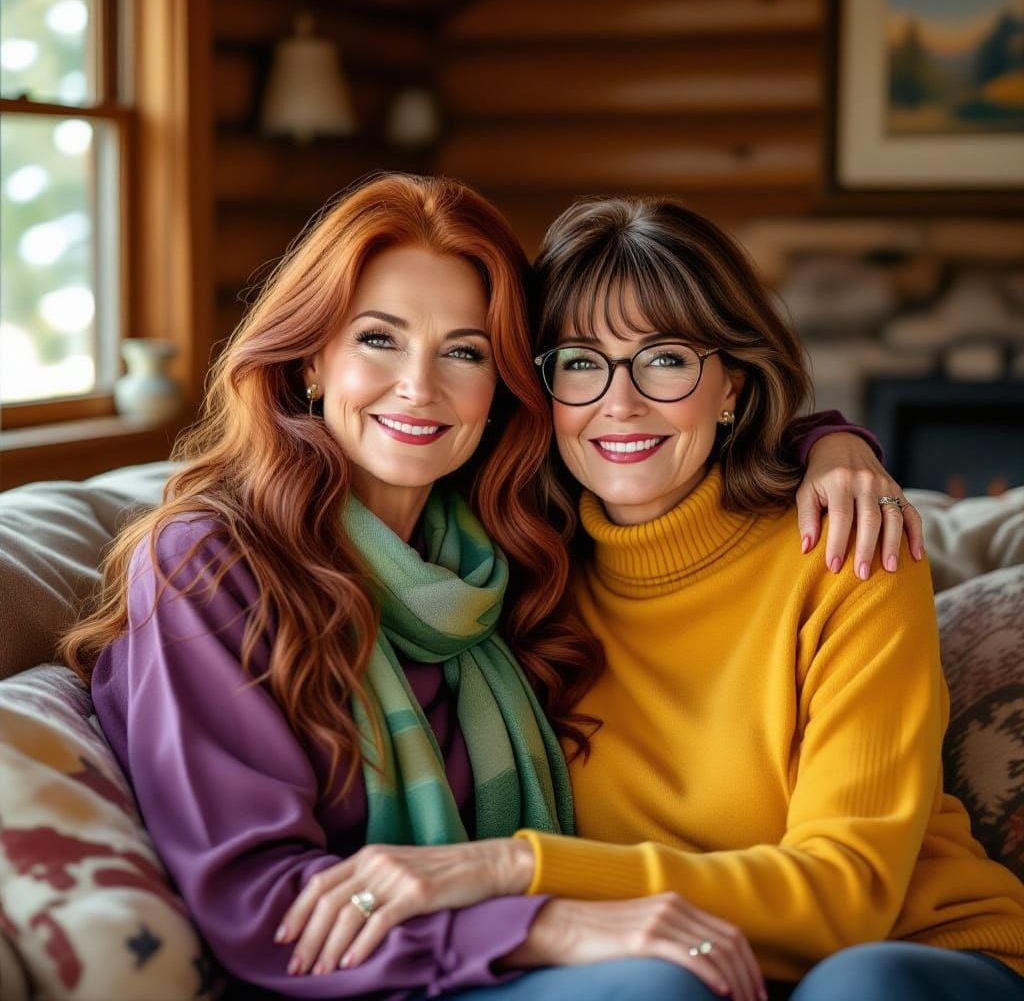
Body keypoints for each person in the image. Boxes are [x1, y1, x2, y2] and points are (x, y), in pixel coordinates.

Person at [62, 175, 910, 1001]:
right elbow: (258, 899)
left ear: (503, 383)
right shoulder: (216, 564)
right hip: (400, 973)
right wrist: (542, 925)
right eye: (378, 338)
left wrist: (836, 446)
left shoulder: (509, 548)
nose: (420, 388)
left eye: (463, 351)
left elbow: (674, 432)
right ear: (310, 358)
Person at [277, 196, 1024, 1001]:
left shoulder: (848, 554)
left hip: (910, 955)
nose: (620, 402)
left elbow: (846, 899)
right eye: (578, 362)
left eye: (665, 359)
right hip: (667, 974)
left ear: (732, 386)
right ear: (535, 389)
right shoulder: (513, 569)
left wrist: (512, 866)